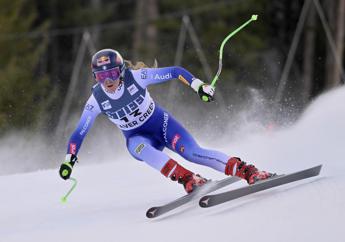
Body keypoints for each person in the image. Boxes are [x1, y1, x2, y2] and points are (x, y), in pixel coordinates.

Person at [59, 49, 273, 193]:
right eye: (101, 76)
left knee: (192, 153)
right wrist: (69, 159)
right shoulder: (96, 99)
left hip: (161, 125)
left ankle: (248, 171)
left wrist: (199, 86)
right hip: (137, 137)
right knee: (140, 148)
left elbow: (175, 72)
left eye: (112, 74)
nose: (108, 82)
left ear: (121, 72)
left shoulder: (138, 77)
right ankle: (188, 179)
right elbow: (79, 133)